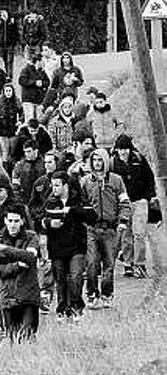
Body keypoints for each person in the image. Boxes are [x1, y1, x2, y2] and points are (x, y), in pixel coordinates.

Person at [39, 171, 96, 322]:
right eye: (53, 185)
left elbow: (92, 216)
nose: (54, 188)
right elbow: (39, 221)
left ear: (66, 185)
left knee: (76, 276)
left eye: (57, 185)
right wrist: (50, 223)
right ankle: (62, 309)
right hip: (57, 247)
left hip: (77, 245)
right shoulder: (50, 202)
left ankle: (77, 306)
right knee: (60, 279)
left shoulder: (78, 200)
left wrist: (72, 210)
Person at [81, 149, 130, 308]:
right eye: (94, 160)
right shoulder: (86, 182)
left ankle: (107, 294)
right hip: (92, 228)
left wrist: (123, 221)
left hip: (110, 229)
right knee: (92, 263)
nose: (97, 163)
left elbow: (124, 203)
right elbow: (81, 205)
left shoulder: (116, 180)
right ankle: (92, 294)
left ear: (105, 161)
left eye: (100, 160)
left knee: (109, 264)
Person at [0, 204, 40, 340]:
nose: (13, 225)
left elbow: (30, 257)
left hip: (28, 296)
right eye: (10, 221)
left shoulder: (31, 237)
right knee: (12, 337)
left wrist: (5, 250)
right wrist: (17, 265)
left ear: (22, 221)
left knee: (28, 336)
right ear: (5, 220)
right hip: (7, 296)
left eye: (16, 221)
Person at [112, 135, 156, 279]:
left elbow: (149, 178)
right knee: (126, 235)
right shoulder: (113, 164)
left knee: (139, 234)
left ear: (129, 149)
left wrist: (149, 196)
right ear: (117, 150)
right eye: (120, 149)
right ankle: (128, 264)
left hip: (139, 201)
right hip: (123, 203)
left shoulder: (139, 160)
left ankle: (140, 264)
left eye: (125, 149)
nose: (123, 152)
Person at [0, 84, 24, 163]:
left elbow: (22, 113)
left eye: (10, 91)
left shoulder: (17, 101)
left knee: (12, 152)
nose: (8, 93)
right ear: (4, 92)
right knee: (4, 152)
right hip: (1, 129)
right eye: (6, 91)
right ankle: (5, 168)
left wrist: (20, 121)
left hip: (13, 129)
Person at [18, 55, 50, 124]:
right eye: (42, 61)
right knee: (29, 120)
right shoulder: (26, 69)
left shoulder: (42, 71)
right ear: (38, 62)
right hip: (28, 100)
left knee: (40, 120)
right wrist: (34, 82)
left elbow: (47, 82)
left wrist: (42, 83)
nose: (44, 63)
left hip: (39, 100)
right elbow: (21, 81)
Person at [0, 9, 19, 79]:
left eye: (4, 12)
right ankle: (7, 73)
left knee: (10, 60)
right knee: (5, 60)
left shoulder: (11, 21)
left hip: (10, 44)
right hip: (2, 45)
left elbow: (16, 32)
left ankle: (9, 75)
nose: (3, 14)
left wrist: (14, 42)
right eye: (1, 13)